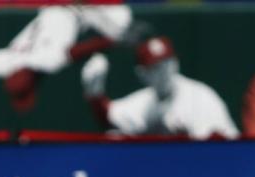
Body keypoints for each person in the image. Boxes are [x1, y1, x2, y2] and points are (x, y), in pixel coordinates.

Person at [0, 5, 134, 113]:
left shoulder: (44, 63)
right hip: (60, 8)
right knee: (121, 21)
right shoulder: (6, 63)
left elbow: (77, 51)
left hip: (75, 10)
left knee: (121, 26)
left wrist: (113, 41)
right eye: (22, 93)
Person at [80, 36, 238, 140]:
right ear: (142, 74)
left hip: (226, 171)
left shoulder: (200, 98)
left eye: (167, 64)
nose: (164, 72)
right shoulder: (147, 101)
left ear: (176, 64)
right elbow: (110, 118)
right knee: (114, 137)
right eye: (155, 68)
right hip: (177, 175)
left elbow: (216, 147)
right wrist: (95, 94)